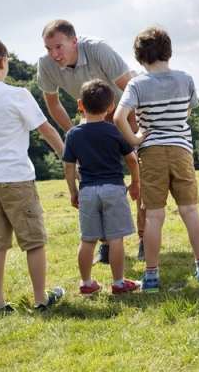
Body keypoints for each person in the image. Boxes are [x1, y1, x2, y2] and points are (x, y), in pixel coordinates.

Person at [0, 36, 66, 313]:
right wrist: (67, 157)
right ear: (3, 62)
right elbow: (47, 130)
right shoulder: (18, 95)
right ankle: (41, 299)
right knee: (34, 242)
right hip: (16, 178)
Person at [114, 26, 199, 292]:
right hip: (181, 150)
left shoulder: (137, 84)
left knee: (154, 217)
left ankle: (150, 276)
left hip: (152, 153)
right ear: (169, 52)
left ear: (139, 57)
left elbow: (118, 117)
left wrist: (135, 139)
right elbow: (187, 111)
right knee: (190, 210)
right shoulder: (185, 79)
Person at [37, 19, 144, 264]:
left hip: (127, 110)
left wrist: (132, 126)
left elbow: (131, 89)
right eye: (48, 48)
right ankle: (106, 246)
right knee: (95, 178)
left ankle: (143, 240)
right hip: (92, 117)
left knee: (141, 170)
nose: (54, 54)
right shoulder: (46, 65)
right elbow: (53, 103)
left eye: (59, 47)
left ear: (74, 41)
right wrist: (76, 131)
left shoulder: (98, 49)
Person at [63, 79, 141, 295]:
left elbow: (69, 167)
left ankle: (86, 283)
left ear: (80, 105)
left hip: (87, 191)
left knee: (87, 239)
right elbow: (132, 160)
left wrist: (73, 191)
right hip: (114, 189)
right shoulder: (114, 131)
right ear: (110, 107)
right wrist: (135, 183)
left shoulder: (73, 134)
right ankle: (118, 283)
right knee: (116, 238)